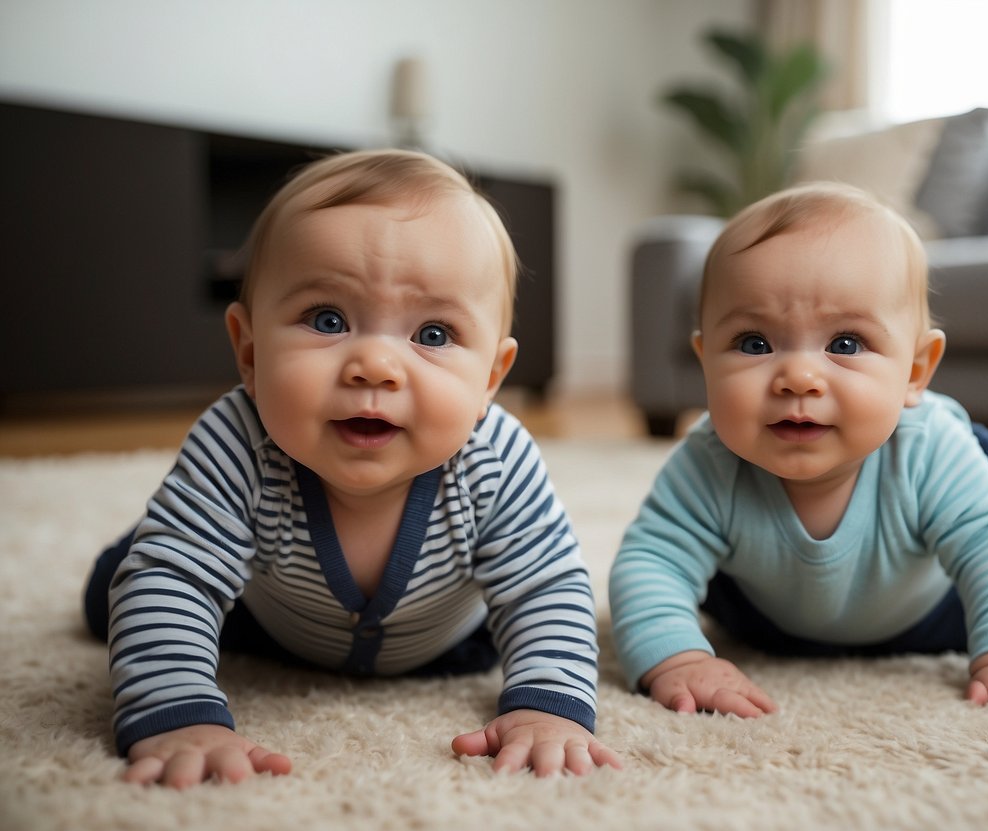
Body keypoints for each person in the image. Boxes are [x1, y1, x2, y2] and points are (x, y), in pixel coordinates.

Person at [83, 148, 621, 786]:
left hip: (448, 639)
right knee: (130, 587)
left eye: (433, 334)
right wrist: (174, 714)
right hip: (270, 622)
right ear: (249, 352)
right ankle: (156, 544)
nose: (375, 365)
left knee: (523, 628)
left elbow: (546, 587)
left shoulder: (496, 459)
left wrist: (545, 707)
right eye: (328, 320)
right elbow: (176, 580)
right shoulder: (238, 442)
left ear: (491, 379)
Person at [608, 182, 988, 720]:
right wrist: (679, 660)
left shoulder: (926, 451)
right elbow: (650, 563)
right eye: (754, 343)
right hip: (776, 610)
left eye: (844, 344)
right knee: (703, 597)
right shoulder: (707, 461)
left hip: (930, 600)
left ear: (916, 371)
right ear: (705, 360)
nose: (799, 377)